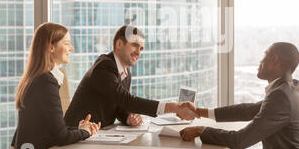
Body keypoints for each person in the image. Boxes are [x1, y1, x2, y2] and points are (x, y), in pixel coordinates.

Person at [180, 42, 299, 149]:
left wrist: (201, 131)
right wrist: (199, 111)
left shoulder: (281, 96)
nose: (260, 61)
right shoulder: (288, 89)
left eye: (265, 56)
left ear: (275, 60)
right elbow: (247, 110)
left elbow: (240, 140)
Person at [64, 24, 198, 128]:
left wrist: (128, 117)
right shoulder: (104, 66)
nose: (138, 52)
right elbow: (128, 101)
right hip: (76, 134)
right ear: (119, 44)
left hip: (98, 134)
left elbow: (119, 105)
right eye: (134, 45)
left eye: (141, 48)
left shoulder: (125, 74)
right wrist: (174, 107)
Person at [10, 22, 100, 149]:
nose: (71, 48)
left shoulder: (38, 77)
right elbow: (61, 137)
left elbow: (50, 128)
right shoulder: (45, 82)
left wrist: (79, 129)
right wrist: (85, 132)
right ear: (51, 47)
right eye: (66, 43)